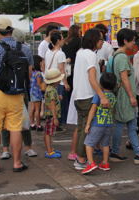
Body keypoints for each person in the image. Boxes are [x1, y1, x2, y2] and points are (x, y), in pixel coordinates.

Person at [0, 17, 33, 172]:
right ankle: (17, 163)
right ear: (11, 30)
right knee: (16, 128)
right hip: (17, 94)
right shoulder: (25, 49)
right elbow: (29, 73)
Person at [72, 28, 109, 170]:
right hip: (88, 96)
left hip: (78, 96)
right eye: (101, 39)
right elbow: (92, 79)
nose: (102, 42)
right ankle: (81, 159)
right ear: (94, 40)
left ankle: (79, 157)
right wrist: (102, 96)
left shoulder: (80, 53)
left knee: (82, 128)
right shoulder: (91, 56)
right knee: (88, 129)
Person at [110, 28, 139, 164]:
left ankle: (119, 151)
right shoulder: (123, 57)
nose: (134, 43)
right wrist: (132, 96)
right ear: (125, 41)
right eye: (133, 40)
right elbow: (124, 78)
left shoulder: (115, 55)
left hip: (120, 95)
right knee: (130, 123)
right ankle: (137, 153)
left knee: (123, 123)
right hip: (125, 95)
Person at [81, 73, 117, 174]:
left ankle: (91, 163)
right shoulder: (113, 96)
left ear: (100, 84)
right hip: (109, 124)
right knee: (105, 144)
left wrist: (88, 124)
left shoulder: (99, 95)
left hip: (98, 124)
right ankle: (105, 163)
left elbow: (92, 110)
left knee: (88, 143)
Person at [62, 25, 82, 161]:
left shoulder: (65, 42)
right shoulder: (79, 42)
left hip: (66, 72)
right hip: (75, 72)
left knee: (67, 96)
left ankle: (65, 117)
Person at [45, 30, 70, 131]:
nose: (63, 40)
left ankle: (51, 123)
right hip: (58, 82)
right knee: (58, 104)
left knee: (50, 103)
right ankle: (57, 124)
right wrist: (66, 83)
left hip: (49, 80)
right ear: (58, 41)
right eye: (62, 38)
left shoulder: (48, 52)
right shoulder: (60, 53)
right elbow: (61, 69)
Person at [43, 68, 64, 158]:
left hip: (49, 115)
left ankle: (50, 149)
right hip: (51, 115)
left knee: (48, 132)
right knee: (48, 133)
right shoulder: (52, 90)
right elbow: (52, 104)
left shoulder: (50, 89)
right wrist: (55, 118)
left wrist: (58, 97)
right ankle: (49, 151)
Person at [29, 55, 44, 131]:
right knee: (37, 109)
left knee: (32, 108)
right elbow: (39, 84)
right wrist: (43, 86)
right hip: (37, 92)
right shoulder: (38, 74)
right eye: (41, 62)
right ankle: (38, 125)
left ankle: (32, 124)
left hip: (31, 92)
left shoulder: (32, 72)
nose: (42, 63)